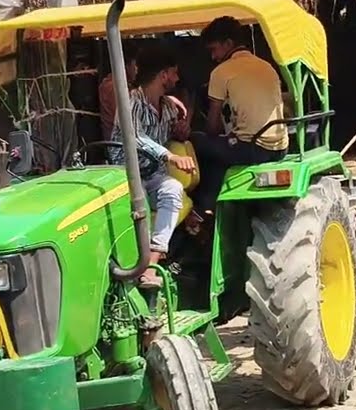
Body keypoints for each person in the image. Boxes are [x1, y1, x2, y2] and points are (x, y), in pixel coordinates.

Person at [109, 46, 195, 288]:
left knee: (173, 189)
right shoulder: (131, 101)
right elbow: (135, 136)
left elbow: (171, 133)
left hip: (153, 175)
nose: (177, 79)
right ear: (163, 75)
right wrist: (170, 156)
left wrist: (182, 129)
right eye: (174, 73)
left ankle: (149, 264)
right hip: (125, 176)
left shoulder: (167, 106)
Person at [191, 16, 288, 219]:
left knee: (197, 142)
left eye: (214, 49)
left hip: (252, 148)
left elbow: (213, 127)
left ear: (228, 44)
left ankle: (202, 208)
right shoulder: (266, 66)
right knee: (221, 152)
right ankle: (212, 206)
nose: (213, 56)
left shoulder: (220, 72)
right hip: (280, 148)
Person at [99, 56, 138, 140]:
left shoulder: (128, 85)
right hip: (119, 144)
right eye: (136, 65)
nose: (137, 70)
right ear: (127, 65)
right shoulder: (113, 86)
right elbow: (125, 119)